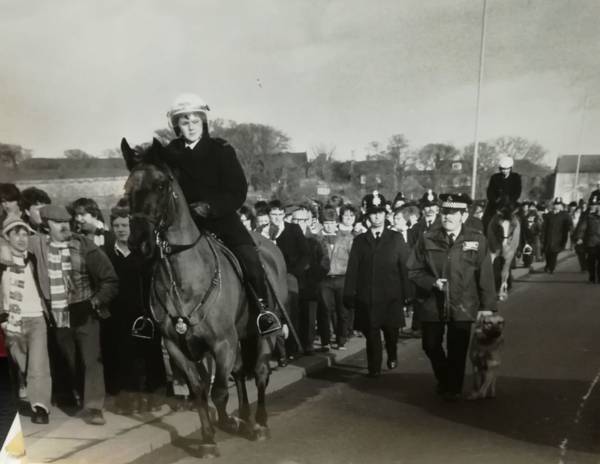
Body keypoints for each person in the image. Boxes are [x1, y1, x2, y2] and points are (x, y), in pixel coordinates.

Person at [164, 93, 280, 335]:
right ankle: (150, 318)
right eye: (185, 123)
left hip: (222, 220)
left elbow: (237, 190)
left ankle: (264, 312)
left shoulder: (221, 149)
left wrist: (211, 207)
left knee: (249, 258)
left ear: (203, 123)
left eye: (195, 121)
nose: (191, 127)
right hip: (185, 225)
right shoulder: (170, 153)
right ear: (177, 126)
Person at [407, 193, 497, 401]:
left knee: (458, 349)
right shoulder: (427, 238)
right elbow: (413, 270)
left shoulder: (477, 240)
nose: (447, 217)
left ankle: (453, 388)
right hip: (432, 302)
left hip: (464, 302)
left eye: (452, 213)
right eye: (444, 212)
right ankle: (445, 377)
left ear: (463, 216)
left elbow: (485, 275)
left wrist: (488, 306)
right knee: (430, 344)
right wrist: (432, 282)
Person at [38, 205, 119, 425]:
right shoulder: (39, 247)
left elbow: (110, 279)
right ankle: (78, 396)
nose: (64, 226)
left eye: (66, 221)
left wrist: (95, 301)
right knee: (71, 359)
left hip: (84, 310)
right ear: (46, 225)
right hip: (58, 313)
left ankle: (94, 407)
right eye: (57, 222)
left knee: (91, 359)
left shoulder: (85, 246)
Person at [103, 201, 165, 413]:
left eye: (124, 226)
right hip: (119, 315)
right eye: (117, 226)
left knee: (149, 354)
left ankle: (155, 397)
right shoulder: (107, 254)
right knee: (125, 357)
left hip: (144, 312)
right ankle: (130, 400)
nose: (120, 230)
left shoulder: (144, 254)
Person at [343, 191, 411, 378]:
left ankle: (392, 353)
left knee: (391, 331)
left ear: (386, 215)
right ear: (367, 216)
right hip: (368, 297)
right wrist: (349, 293)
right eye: (373, 213)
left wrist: (408, 294)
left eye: (380, 213)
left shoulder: (396, 238)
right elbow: (353, 270)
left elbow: (404, 268)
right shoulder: (359, 241)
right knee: (371, 332)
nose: (377, 217)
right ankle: (374, 367)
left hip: (391, 297)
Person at [0, 214, 52, 424]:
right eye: (16, 234)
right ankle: (26, 393)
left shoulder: (32, 258)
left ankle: (40, 407)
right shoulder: (1, 261)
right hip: (12, 321)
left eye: (25, 234)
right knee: (22, 365)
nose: (22, 239)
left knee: (38, 365)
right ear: (7, 236)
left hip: (36, 318)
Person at [318, 206, 354, 350]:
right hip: (324, 279)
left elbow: (352, 260)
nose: (329, 226)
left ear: (336, 223)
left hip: (341, 277)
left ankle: (341, 340)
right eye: (326, 223)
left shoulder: (347, 238)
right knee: (325, 310)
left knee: (342, 311)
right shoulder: (318, 239)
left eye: (332, 223)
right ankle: (325, 341)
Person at [483, 156, 522, 231]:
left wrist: (511, 200)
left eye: (506, 169)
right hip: (496, 203)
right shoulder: (494, 177)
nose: (504, 171)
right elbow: (490, 191)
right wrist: (495, 200)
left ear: (510, 168)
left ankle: (525, 239)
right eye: (502, 169)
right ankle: (485, 236)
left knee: (522, 218)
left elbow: (517, 191)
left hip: (511, 203)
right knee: (486, 218)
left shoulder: (516, 177)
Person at [574, 196, 600, 283]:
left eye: (597, 205)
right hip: (591, 241)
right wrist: (580, 237)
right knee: (591, 260)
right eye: (594, 205)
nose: (596, 207)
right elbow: (582, 228)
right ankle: (592, 277)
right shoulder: (589, 216)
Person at [542, 198, 571, 274]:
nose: (557, 206)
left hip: (558, 237)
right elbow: (544, 227)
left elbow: (568, 226)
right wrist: (543, 236)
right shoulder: (549, 215)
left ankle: (551, 268)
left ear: (561, 206)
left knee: (554, 253)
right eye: (556, 204)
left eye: (559, 205)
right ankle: (548, 265)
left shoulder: (564, 215)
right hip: (548, 237)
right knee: (548, 253)